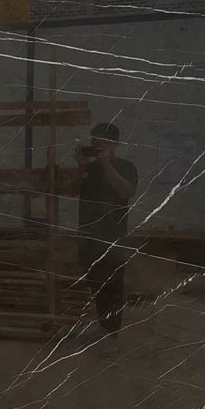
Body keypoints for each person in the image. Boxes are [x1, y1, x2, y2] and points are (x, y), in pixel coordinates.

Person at [75, 123, 138, 339]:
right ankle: (103, 326)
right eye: (94, 141)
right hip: (88, 234)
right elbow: (71, 190)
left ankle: (112, 334)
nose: (97, 145)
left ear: (115, 144)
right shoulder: (89, 169)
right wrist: (81, 168)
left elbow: (126, 191)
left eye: (103, 141)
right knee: (94, 282)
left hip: (113, 237)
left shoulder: (126, 166)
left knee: (112, 285)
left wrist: (106, 164)